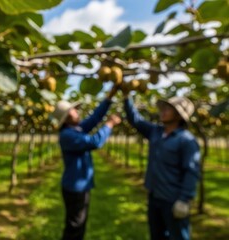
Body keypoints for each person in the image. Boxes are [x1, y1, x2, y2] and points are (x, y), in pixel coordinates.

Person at [123, 93, 201, 240]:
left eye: (168, 109)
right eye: (163, 108)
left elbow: (191, 172)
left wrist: (184, 200)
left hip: (173, 199)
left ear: (178, 115)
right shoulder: (156, 132)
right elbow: (135, 120)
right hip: (154, 196)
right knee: (157, 235)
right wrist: (127, 97)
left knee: (178, 236)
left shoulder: (187, 140)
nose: (163, 111)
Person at [53, 87, 121, 240]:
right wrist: (109, 124)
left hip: (79, 186)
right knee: (75, 226)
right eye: (73, 111)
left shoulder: (76, 129)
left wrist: (110, 96)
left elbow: (95, 118)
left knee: (78, 224)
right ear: (66, 117)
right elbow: (94, 142)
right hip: (75, 188)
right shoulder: (67, 135)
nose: (77, 112)